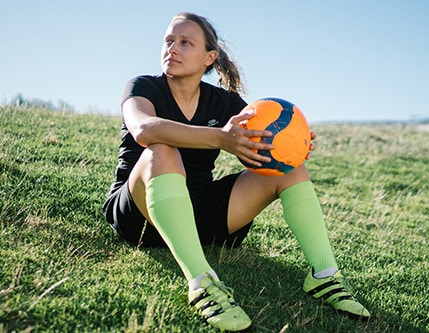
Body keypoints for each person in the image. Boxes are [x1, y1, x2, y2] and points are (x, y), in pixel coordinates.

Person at [102, 11, 370, 331]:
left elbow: (261, 139)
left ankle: (325, 276)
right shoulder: (143, 86)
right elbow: (144, 129)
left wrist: (291, 145)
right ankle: (203, 284)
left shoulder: (224, 102)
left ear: (208, 58)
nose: (172, 48)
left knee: (291, 169)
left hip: (199, 212)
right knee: (162, 150)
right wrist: (219, 138)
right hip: (140, 215)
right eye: (168, 40)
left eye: (186, 43)